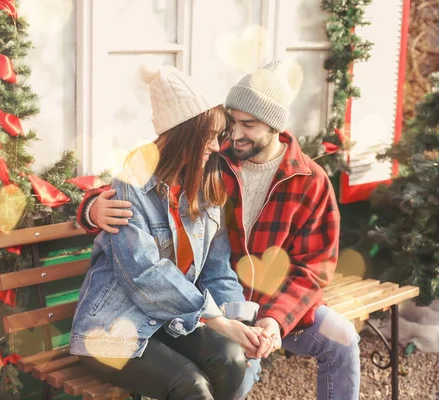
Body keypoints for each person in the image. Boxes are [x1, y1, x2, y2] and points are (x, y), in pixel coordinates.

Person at [77, 61, 360, 400]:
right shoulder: (213, 162)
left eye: (248, 125)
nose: (230, 137)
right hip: (179, 310)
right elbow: (141, 251)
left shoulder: (303, 182)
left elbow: (308, 269)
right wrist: (90, 207)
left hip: (255, 305)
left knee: (338, 340)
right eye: (229, 125)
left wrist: (265, 322)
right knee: (209, 374)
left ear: (273, 126)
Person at [69, 63, 266, 400]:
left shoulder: (205, 186)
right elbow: (145, 273)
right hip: (111, 328)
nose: (217, 146)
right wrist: (218, 322)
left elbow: (217, 269)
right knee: (190, 386)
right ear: (184, 135)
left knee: (232, 360)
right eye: (209, 135)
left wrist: (240, 322)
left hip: (168, 321)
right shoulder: (131, 184)